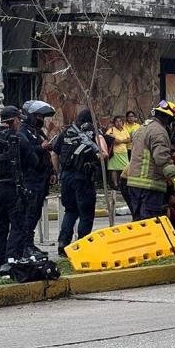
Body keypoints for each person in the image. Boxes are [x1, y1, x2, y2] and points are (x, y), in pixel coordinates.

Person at [0, 105, 34, 276]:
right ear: (15, 120)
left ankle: (0, 260)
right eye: (19, 120)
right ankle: (11, 261)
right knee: (18, 225)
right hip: (12, 187)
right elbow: (33, 161)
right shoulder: (17, 138)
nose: (20, 123)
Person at [53, 109, 107, 254]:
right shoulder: (92, 133)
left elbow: (54, 153)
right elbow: (104, 154)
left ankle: (63, 244)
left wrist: (58, 173)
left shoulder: (66, 132)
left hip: (66, 178)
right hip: (84, 178)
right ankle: (83, 246)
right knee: (86, 214)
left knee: (70, 211)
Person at [123, 100, 175, 222]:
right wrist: (173, 176)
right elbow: (161, 156)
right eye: (171, 121)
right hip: (149, 185)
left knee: (138, 222)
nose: (171, 124)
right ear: (167, 118)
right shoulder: (159, 131)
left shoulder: (141, 128)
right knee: (149, 223)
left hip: (134, 183)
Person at [19, 100, 57, 259]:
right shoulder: (23, 132)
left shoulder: (38, 132)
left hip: (42, 178)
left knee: (35, 213)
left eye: (42, 116)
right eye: (38, 116)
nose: (41, 119)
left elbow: (46, 154)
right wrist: (41, 147)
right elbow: (25, 153)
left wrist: (52, 172)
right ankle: (25, 245)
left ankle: (30, 243)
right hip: (30, 179)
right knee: (29, 213)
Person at [105, 114, 132, 188]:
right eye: (116, 121)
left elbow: (129, 140)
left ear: (122, 122)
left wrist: (121, 141)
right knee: (114, 169)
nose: (118, 123)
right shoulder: (111, 130)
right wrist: (121, 141)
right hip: (114, 152)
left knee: (126, 168)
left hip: (124, 152)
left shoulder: (124, 130)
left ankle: (124, 184)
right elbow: (109, 139)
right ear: (114, 123)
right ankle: (115, 185)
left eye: (120, 121)